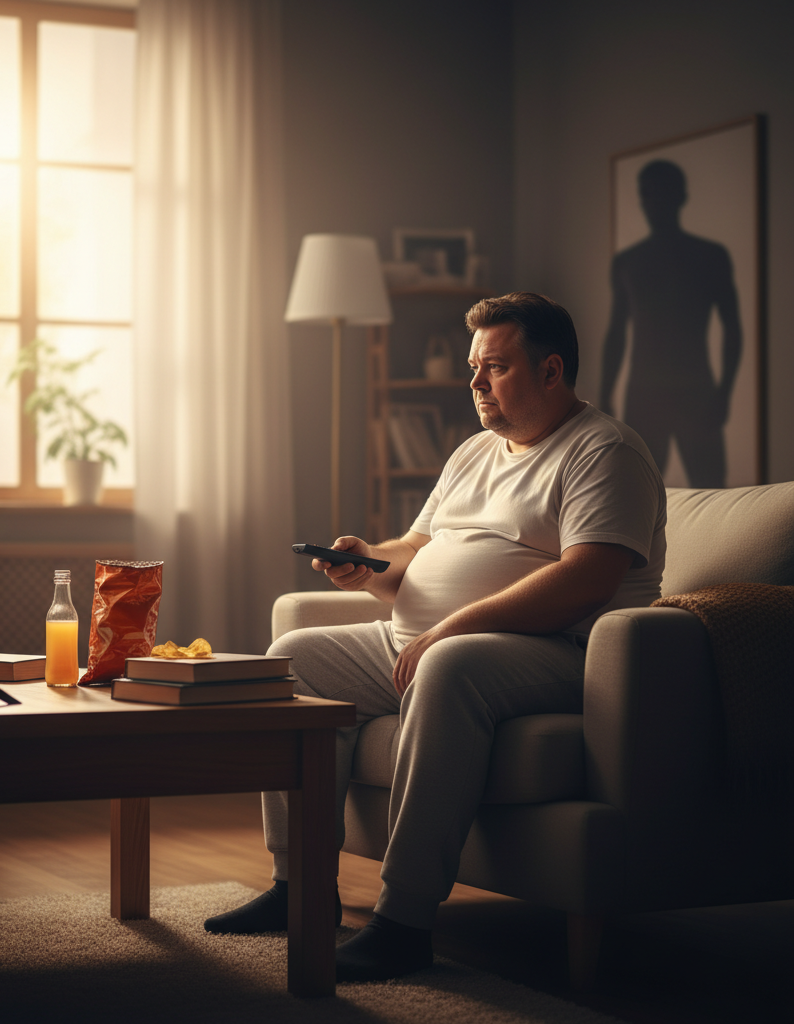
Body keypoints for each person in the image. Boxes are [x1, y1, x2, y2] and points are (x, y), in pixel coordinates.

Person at [205, 292, 667, 982]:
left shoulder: (604, 451)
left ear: (551, 370)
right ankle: (299, 886)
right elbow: (417, 549)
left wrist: (452, 626)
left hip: (560, 651)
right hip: (419, 640)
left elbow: (587, 579)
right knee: (294, 658)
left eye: (496, 367)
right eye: (474, 367)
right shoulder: (474, 451)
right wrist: (369, 562)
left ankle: (404, 922)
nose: (476, 382)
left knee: (448, 665)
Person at [600, 159, 742, 487]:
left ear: (680, 196)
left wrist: (724, 392)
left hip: (695, 390)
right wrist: (605, 394)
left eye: (660, 192)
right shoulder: (627, 262)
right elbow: (616, 332)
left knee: (710, 493)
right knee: (636, 492)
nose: (651, 202)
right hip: (647, 394)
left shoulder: (710, 256)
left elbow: (733, 328)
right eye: (646, 194)